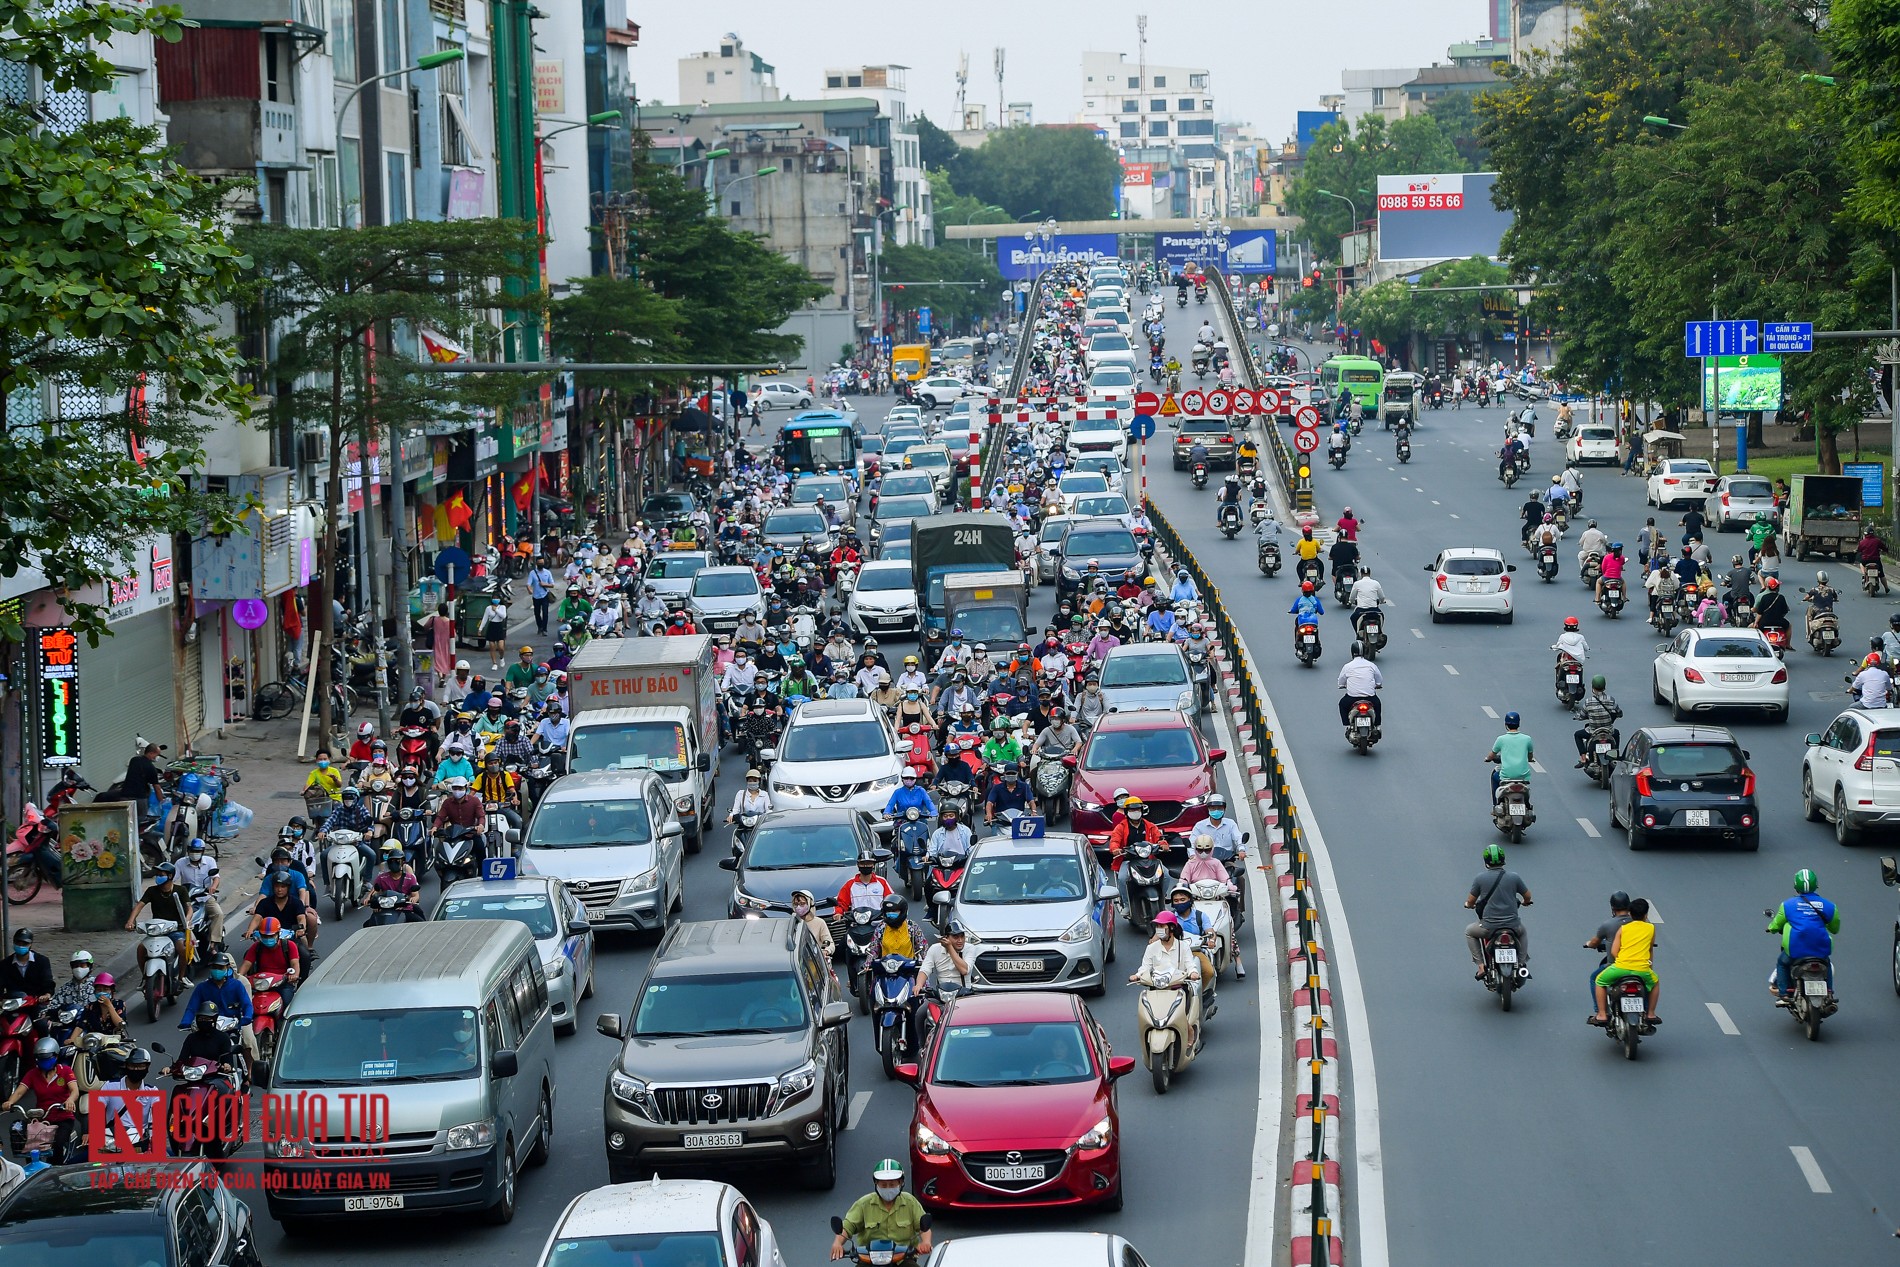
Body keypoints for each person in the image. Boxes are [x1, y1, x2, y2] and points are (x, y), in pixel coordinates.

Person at [832, 1159, 932, 1261]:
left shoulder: (910, 1202)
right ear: (876, 1183)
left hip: (903, 1259)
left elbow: (923, 1227)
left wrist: (926, 1242)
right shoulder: (864, 1204)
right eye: (883, 1185)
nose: (888, 1188)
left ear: (900, 1183)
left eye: (892, 1185)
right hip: (869, 1260)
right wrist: (837, 1243)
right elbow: (848, 1226)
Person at [0, 1036, 79, 1159]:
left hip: (63, 1117)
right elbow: (20, 1092)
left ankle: (56, 1169)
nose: (44, 1062)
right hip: (42, 1117)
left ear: (56, 1056)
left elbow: (74, 1090)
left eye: (47, 1058)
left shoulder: (65, 1071)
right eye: (40, 1059)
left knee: (58, 1146)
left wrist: (69, 1100)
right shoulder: (33, 1074)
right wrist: (10, 1101)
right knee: (27, 1144)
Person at [179, 950, 258, 1066]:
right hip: (209, 1024)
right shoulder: (202, 987)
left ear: (227, 968)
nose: (217, 970)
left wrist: (247, 1017)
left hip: (233, 1024)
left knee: (248, 1041)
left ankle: (250, 1071)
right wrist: (186, 1021)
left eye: (220, 968)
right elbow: (192, 1007)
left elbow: (247, 1004)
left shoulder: (237, 985)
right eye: (214, 967)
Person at [1769, 869, 1839, 999]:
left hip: (1796, 949)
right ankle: (1829, 991)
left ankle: (1784, 993)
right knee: (1826, 963)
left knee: (1782, 963)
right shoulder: (1830, 906)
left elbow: (1776, 925)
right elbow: (1835, 929)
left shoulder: (1787, 905)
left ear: (1796, 886)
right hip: (1821, 948)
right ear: (1816, 885)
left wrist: (1770, 928)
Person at [1589, 896, 1660, 1027]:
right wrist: (1649, 965)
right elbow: (1650, 949)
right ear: (1646, 914)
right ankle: (1650, 1013)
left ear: (1631, 914)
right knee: (1655, 982)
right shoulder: (1651, 928)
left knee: (1598, 980)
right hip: (1642, 970)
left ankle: (1602, 1014)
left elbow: (1614, 952)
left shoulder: (1623, 929)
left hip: (1621, 967)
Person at [1464, 843, 1532, 975]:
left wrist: (1469, 905)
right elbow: (1528, 896)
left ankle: (1481, 966)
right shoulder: (1514, 877)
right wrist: (1525, 902)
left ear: (1486, 862)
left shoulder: (1480, 878)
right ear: (1503, 859)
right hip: (1513, 926)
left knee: (1469, 932)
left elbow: (1471, 901)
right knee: (1523, 932)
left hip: (1489, 927)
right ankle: (1522, 963)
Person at [93, 1046, 159, 1154]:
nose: (136, 1069)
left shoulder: (152, 1091)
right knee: (77, 1163)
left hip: (140, 1143)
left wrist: (154, 1141)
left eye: (140, 1066)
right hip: (112, 1142)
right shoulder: (110, 1087)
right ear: (126, 1066)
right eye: (132, 1066)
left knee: (169, 1159)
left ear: (147, 1067)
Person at [169, 838, 226, 954]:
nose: (195, 854)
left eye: (198, 851)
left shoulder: (209, 861)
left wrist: (213, 887)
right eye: (193, 851)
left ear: (203, 851)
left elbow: (216, 878)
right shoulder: (180, 863)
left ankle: (213, 944)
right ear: (188, 850)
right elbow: (172, 880)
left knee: (218, 914)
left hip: (205, 898)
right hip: (187, 898)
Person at [240, 917, 304, 1015]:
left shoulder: (289, 945)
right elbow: (246, 964)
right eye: (264, 936)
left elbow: (295, 963)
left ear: (278, 934)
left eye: (271, 936)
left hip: (283, 984)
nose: (268, 939)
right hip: (260, 984)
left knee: (288, 1006)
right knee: (244, 1006)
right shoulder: (256, 947)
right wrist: (239, 977)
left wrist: (294, 975)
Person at [1572, 676, 1622, 763]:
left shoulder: (1588, 702)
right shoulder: (1611, 700)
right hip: (1608, 731)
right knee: (1616, 733)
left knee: (1577, 735)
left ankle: (1583, 758)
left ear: (1592, 687)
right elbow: (1619, 712)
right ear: (1604, 686)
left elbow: (1582, 715)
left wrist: (1579, 717)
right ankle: (1615, 754)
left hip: (1593, 731)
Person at [1485, 711, 1533, 800]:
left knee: (1495, 776)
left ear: (1506, 724)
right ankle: (1527, 804)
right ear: (1519, 723)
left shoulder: (1501, 739)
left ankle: (1496, 803)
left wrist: (1487, 759)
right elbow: (1530, 756)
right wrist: (1530, 759)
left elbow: (1491, 755)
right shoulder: (1527, 739)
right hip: (1523, 777)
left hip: (1506, 776)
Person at [1336, 641, 1383, 728]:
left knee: (1342, 704)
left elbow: (1341, 682)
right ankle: (1377, 725)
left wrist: (1342, 685)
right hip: (1370, 698)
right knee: (1378, 705)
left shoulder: (1347, 666)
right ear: (1365, 651)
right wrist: (1378, 685)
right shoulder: (1371, 665)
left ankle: (1347, 725)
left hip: (1352, 698)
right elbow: (1379, 680)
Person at [919, 920, 971, 997]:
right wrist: (919, 985)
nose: (960, 940)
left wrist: (950, 947)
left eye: (962, 936)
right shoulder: (934, 948)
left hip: (963, 994)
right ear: (946, 938)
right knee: (923, 1009)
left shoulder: (970, 948)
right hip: (942, 994)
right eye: (955, 937)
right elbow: (925, 969)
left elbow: (964, 970)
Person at [0, 929, 54, 1002]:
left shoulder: (42, 961)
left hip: (37, 1001)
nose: (21, 946)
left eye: (24, 944)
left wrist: (47, 994)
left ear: (30, 944)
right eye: (18, 943)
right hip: (14, 1002)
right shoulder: (5, 964)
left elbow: (48, 981)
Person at [787, 889, 835, 960]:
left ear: (810, 903)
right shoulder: (791, 923)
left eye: (802, 904)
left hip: (815, 961)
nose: (799, 907)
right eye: (796, 904)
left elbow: (828, 942)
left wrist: (825, 951)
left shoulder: (819, 922)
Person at [303, 749, 344, 820]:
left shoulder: (334, 771)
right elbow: (308, 785)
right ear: (316, 760)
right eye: (320, 759)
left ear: (329, 760)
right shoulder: (314, 773)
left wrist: (335, 779)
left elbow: (339, 785)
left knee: (338, 813)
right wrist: (304, 791)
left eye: (325, 759)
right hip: (320, 799)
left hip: (335, 798)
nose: (322, 761)